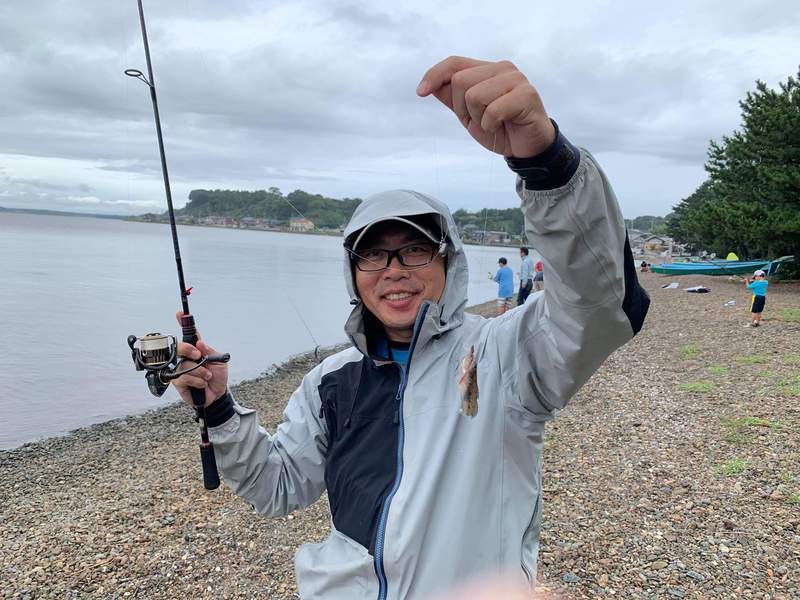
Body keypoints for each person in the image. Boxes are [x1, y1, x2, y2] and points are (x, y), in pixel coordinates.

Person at [171, 56, 650, 599]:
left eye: (416, 250)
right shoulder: (330, 381)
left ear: (449, 264)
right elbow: (277, 487)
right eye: (373, 255)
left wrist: (548, 164)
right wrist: (221, 410)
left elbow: (601, 304)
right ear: (353, 275)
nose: (395, 271)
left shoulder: (506, 352)